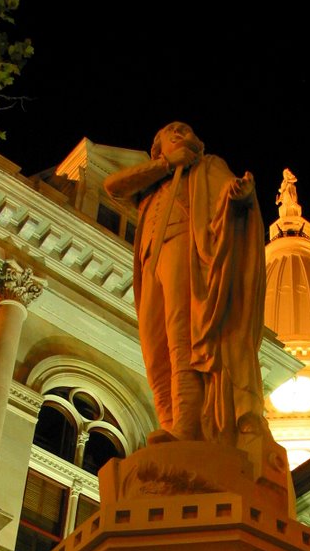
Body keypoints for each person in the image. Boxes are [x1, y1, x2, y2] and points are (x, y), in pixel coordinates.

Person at [103, 122, 269, 447]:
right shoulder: (151, 184)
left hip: (183, 246)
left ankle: (186, 427)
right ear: (157, 146)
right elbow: (112, 186)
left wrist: (241, 195)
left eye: (185, 130)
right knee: (155, 349)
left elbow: (227, 194)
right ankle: (169, 422)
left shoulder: (207, 166)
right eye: (171, 131)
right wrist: (167, 165)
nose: (179, 133)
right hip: (150, 260)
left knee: (181, 338)